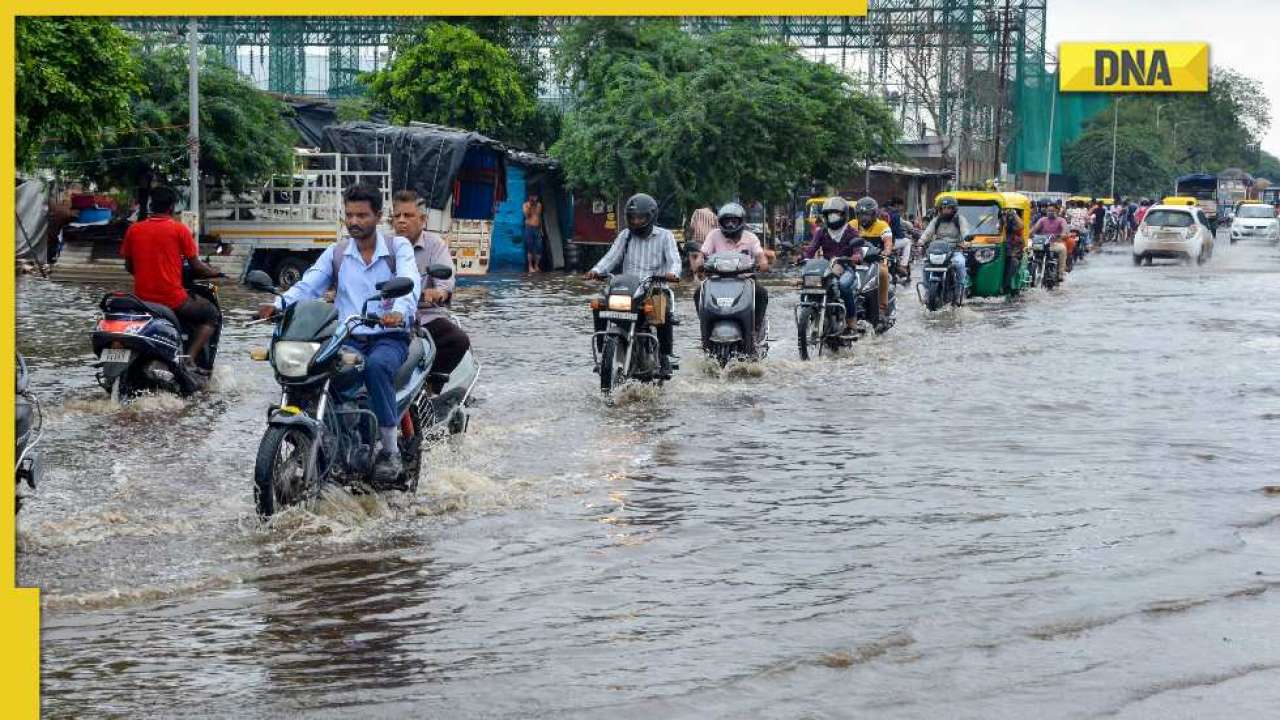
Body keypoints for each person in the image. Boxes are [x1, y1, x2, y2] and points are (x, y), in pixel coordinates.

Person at [258, 184, 421, 483]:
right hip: (347, 336)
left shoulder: (398, 248)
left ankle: (389, 450)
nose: (355, 222)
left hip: (389, 335)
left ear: (378, 216)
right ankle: (327, 432)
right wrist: (278, 304)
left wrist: (398, 310)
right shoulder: (338, 253)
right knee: (315, 370)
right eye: (349, 215)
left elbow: (409, 281)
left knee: (376, 367)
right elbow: (309, 286)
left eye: (362, 215)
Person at [120, 186, 223, 374]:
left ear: (151, 205)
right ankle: (189, 359)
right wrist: (215, 272)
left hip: (142, 301)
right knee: (211, 315)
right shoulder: (179, 230)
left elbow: (129, 266)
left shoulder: (134, 230)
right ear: (172, 207)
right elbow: (197, 266)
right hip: (173, 300)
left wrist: (147, 275)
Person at [585, 193, 682, 378]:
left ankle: (664, 356)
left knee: (662, 308)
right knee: (598, 304)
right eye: (633, 218)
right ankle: (602, 351)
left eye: (641, 218)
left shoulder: (665, 236)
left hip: (655, 288)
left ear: (651, 216)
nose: (636, 221)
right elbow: (611, 258)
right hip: (627, 288)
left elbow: (674, 261)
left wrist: (672, 274)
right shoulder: (626, 235)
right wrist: (596, 271)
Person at [390, 190, 470, 379]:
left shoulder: (435, 245)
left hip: (424, 316)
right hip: (386, 317)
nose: (402, 221)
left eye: (408, 215)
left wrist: (438, 293)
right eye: (397, 216)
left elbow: (445, 282)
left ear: (423, 220)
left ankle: (433, 385)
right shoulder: (382, 244)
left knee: (458, 340)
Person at [691, 202, 770, 332]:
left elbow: (760, 255)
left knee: (762, 294)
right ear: (721, 222)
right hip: (717, 280)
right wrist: (699, 263)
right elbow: (702, 254)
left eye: (734, 221)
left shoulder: (751, 237)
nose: (730, 225)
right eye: (727, 221)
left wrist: (763, 263)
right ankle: (706, 326)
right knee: (698, 293)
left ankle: (755, 327)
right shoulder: (714, 235)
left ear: (741, 222)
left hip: (745, 280)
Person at [852, 197, 894, 332]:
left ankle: (882, 309)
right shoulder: (852, 225)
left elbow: (888, 242)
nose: (863, 218)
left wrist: (886, 252)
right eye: (860, 215)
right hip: (855, 260)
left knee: (883, 272)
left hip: (879, 259)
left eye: (867, 214)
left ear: (874, 214)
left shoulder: (882, 225)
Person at [917, 196, 971, 291]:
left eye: (949, 208)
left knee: (960, 263)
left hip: (955, 250)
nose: (946, 210)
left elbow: (965, 231)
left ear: (954, 209)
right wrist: (921, 241)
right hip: (938, 251)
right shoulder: (936, 220)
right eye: (943, 208)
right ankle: (927, 291)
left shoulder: (959, 219)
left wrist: (966, 241)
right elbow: (928, 232)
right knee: (926, 266)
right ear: (940, 209)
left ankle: (960, 290)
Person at [1030, 202, 1069, 283]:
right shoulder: (1042, 220)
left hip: (1054, 243)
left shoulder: (1061, 220)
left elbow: (1065, 230)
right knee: (1029, 248)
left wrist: (1062, 235)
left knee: (1062, 249)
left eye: (1052, 211)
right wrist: (1030, 234)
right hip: (1042, 243)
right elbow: (1034, 230)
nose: (1050, 212)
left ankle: (1060, 274)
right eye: (1049, 211)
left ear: (1057, 211)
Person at [522, 192, 544, 273]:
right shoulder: (525, 205)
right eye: (532, 197)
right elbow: (527, 216)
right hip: (529, 228)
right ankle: (530, 266)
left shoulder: (539, 205)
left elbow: (539, 217)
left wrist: (541, 229)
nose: (534, 198)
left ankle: (536, 265)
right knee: (530, 248)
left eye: (535, 196)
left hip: (538, 228)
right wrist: (530, 206)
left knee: (539, 247)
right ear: (529, 197)